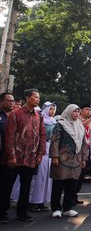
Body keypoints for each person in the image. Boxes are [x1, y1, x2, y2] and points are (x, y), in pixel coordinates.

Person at [0, 89, 46, 222]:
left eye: (38, 97)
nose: (38, 99)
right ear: (27, 98)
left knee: (26, 187)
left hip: (31, 158)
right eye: (35, 97)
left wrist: (40, 154)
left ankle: (22, 212)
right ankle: (2, 213)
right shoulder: (15, 114)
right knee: (6, 186)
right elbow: (9, 137)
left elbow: (42, 136)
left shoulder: (39, 116)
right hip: (15, 158)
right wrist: (11, 155)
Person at [49, 104, 88, 218]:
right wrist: (55, 156)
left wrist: (84, 158)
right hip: (62, 160)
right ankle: (56, 208)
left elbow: (84, 144)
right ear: (68, 112)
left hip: (76, 160)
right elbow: (55, 141)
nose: (76, 114)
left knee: (72, 185)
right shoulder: (60, 124)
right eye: (74, 112)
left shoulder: (80, 126)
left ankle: (67, 208)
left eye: (78, 112)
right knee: (58, 184)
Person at [29, 101, 56, 212]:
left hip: (51, 148)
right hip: (41, 147)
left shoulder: (55, 121)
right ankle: (33, 201)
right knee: (39, 175)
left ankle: (43, 201)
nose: (52, 111)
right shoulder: (40, 120)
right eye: (50, 109)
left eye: (54, 109)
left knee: (48, 177)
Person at [74, 103, 91, 205]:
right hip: (76, 150)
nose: (88, 111)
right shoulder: (77, 119)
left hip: (86, 150)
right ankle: (71, 196)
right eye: (86, 109)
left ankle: (75, 195)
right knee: (75, 175)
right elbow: (82, 126)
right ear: (81, 110)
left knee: (82, 175)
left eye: (90, 110)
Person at [0, 92, 15, 223]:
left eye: (12, 100)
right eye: (8, 100)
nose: (11, 102)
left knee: (6, 186)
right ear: (1, 101)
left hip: (9, 157)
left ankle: (3, 212)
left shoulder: (13, 116)